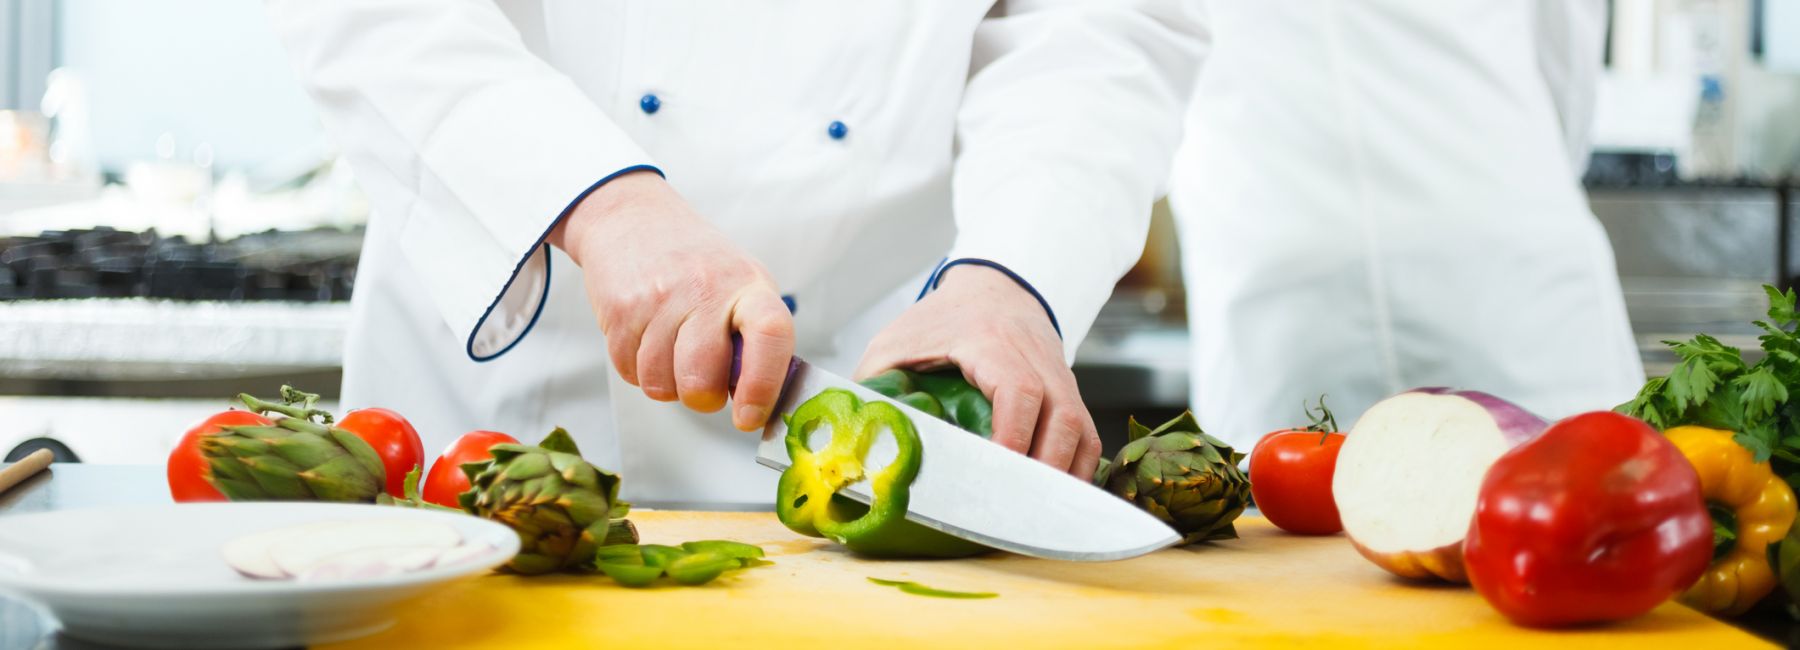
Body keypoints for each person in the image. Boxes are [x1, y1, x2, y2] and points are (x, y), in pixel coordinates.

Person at [267, 2, 1203, 504]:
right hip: (515, 402)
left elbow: (1100, 25)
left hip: (884, 404)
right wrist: (599, 200)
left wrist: (1016, 274)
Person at [1168, 0, 1644, 449]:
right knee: (1577, 512)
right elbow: (1566, 69)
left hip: (1283, 287)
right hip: (1510, 269)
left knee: (1287, 520)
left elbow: (1127, 74)